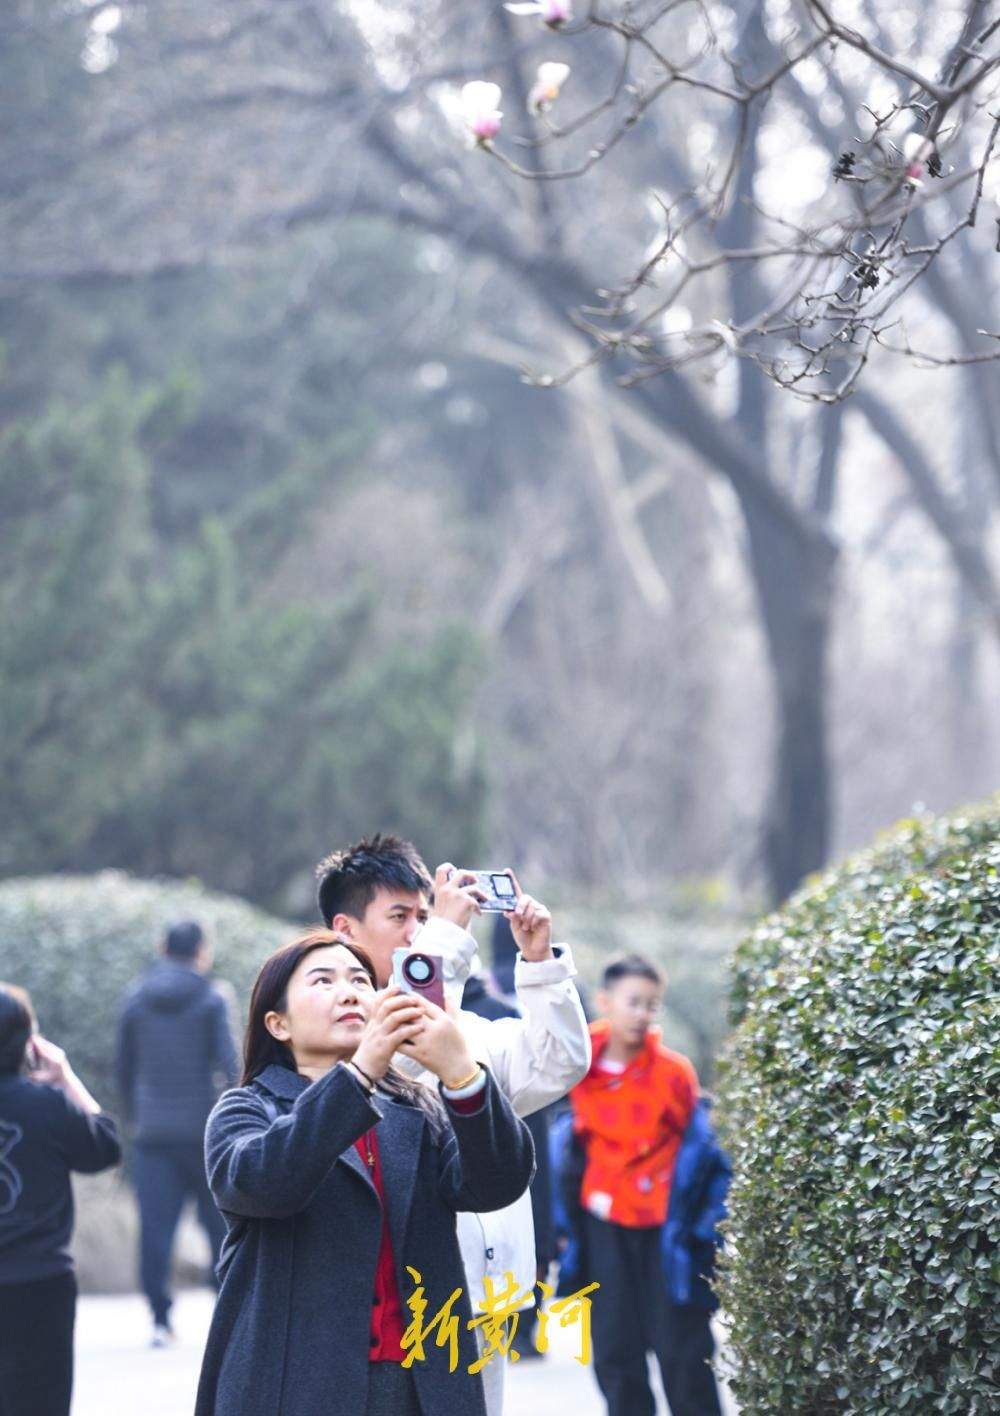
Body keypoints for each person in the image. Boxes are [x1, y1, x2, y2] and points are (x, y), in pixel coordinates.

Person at [194, 930, 535, 1416]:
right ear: (277, 1024)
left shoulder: (416, 1108)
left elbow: (496, 1182)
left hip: (420, 1382)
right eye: (323, 980)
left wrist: (463, 1076)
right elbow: (267, 1183)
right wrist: (359, 1072)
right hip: (294, 1388)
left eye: (360, 979)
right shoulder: (246, 1111)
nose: (350, 991)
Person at [315, 834, 591, 1415]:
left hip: (486, 1294)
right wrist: (447, 935)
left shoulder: (468, 1027)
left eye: (424, 915)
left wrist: (539, 966)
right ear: (345, 929)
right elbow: (403, 1051)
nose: (418, 929)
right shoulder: (332, 1031)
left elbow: (559, 1063)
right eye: (401, 916)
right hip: (398, 1302)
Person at [566, 953, 699, 1416]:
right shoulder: (575, 1064)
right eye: (634, 1001)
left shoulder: (673, 1072)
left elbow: (695, 1148)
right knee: (615, 1349)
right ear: (605, 1001)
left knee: (683, 1351)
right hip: (602, 1221)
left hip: (666, 1226)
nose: (642, 1013)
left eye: (652, 1004)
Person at [0, 983, 121, 1416]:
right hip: (41, 1285)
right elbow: (105, 1147)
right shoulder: (48, 1105)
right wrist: (65, 1076)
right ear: (29, 1044)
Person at [115, 919, 238, 1345]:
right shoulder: (212, 997)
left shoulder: (136, 997)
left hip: (154, 1134)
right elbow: (230, 1063)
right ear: (201, 951)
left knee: (155, 1229)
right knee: (220, 1226)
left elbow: (124, 1067)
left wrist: (136, 1116)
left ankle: (159, 1318)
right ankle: (228, 1312)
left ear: (161, 947)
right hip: (204, 1133)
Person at [660, 1096, 730, 1416]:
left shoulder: (697, 1128)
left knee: (692, 1361)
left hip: (689, 1262)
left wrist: (702, 1234)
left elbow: (721, 1193)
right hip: (659, 1261)